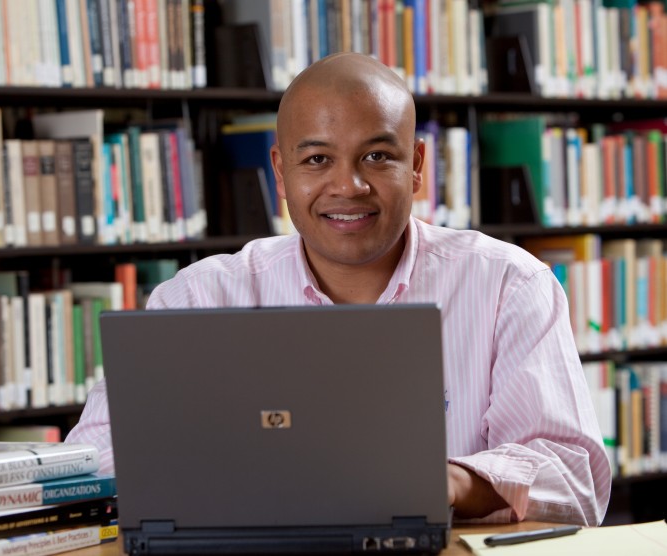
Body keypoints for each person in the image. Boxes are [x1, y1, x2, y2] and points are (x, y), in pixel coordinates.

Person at [66, 52, 611, 525]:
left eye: (377, 156)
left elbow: (574, 479)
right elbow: (89, 463)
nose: (348, 186)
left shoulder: (509, 285)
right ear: (280, 173)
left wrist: (443, 482)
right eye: (317, 159)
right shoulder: (195, 299)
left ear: (417, 166)